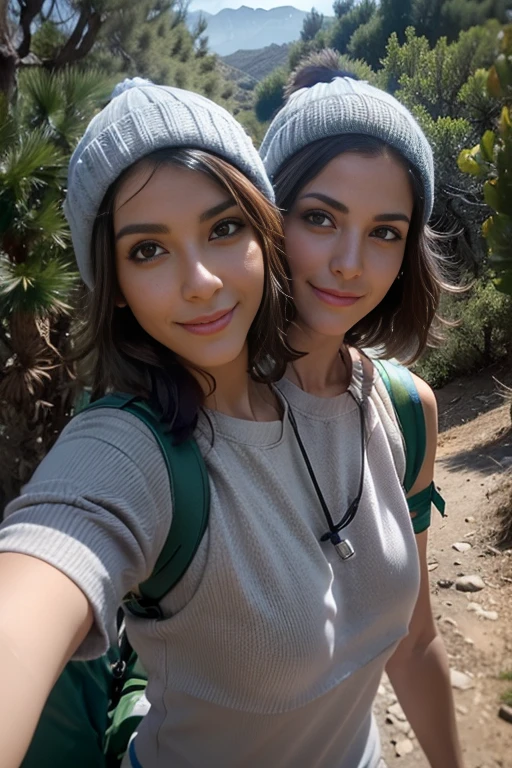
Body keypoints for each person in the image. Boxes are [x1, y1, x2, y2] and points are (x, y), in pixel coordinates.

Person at [259, 49, 464, 767]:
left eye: (385, 232)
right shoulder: (180, 416)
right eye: (320, 217)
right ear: (266, 215)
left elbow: (414, 642)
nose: (352, 263)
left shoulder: (407, 408)